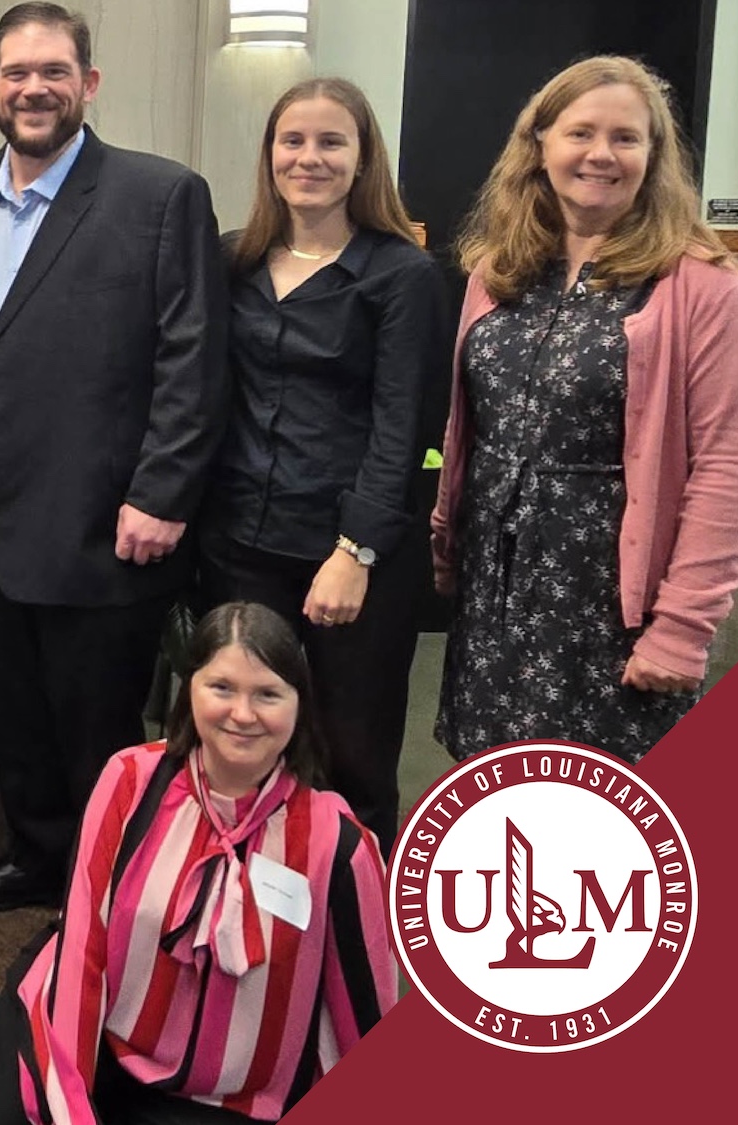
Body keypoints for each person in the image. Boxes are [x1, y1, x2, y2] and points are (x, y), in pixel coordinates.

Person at [0, 2, 228, 912]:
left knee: (96, 720)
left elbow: (194, 356)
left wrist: (163, 491)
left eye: (53, 72)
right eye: (16, 73)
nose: (34, 89)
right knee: (12, 708)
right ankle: (38, 855)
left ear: (88, 83)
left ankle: (110, 891)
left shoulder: (159, 195)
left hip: (102, 513)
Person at [0, 602, 395, 1125]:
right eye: (222, 688)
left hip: (228, 1096)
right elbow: (83, 950)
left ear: (299, 705)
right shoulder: (130, 781)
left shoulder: (338, 843)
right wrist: (72, 1111)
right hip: (102, 1041)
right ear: (190, 691)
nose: (242, 713)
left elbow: (367, 1019)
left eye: (267, 694)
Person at [434, 56, 738, 763]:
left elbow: (728, 471)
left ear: (654, 155)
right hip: (493, 597)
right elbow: (469, 427)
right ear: (540, 144)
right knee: (497, 797)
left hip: (613, 611)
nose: (601, 154)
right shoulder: (499, 271)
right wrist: (444, 540)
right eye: (581, 132)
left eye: (626, 137)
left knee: (604, 813)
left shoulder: (704, 287)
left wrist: (683, 627)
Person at [197, 78, 445, 857]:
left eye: (332, 142)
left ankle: (355, 904)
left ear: (363, 158)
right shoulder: (233, 259)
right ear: (270, 154)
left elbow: (403, 429)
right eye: (293, 141)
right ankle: (242, 890)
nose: (310, 158)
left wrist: (354, 550)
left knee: (352, 747)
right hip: (240, 542)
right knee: (241, 736)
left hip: (349, 553)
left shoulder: (401, 274)